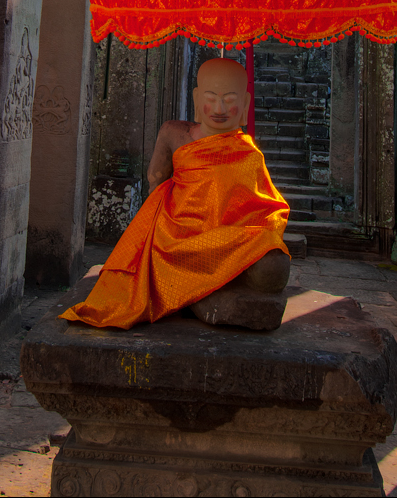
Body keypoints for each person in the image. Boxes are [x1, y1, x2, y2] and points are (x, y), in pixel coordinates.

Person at [59, 58, 290, 329]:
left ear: (246, 104)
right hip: (177, 237)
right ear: (196, 99)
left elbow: (264, 209)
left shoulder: (249, 155)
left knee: (274, 268)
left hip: (229, 238)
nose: (219, 109)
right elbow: (156, 180)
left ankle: (204, 289)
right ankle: (200, 293)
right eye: (211, 98)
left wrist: (258, 237)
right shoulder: (174, 133)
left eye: (230, 100)